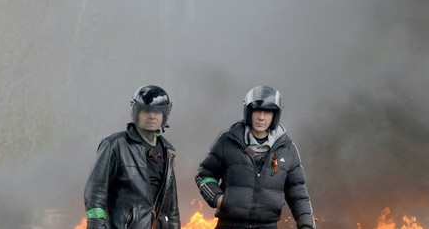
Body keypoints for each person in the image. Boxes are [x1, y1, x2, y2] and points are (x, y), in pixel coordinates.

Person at [196, 86, 315, 229]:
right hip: (229, 225)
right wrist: (218, 199)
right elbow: (204, 176)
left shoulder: (287, 150)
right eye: (257, 111)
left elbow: (297, 193)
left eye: (267, 112)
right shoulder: (228, 142)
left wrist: (306, 225)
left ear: (275, 116)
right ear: (249, 112)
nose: (261, 117)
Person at [83, 85, 181, 229]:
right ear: (136, 112)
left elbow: (171, 207)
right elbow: (94, 194)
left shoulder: (168, 151)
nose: (152, 116)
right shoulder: (114, 145)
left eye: (157, 112)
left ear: (164, 114)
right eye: (146, 111)